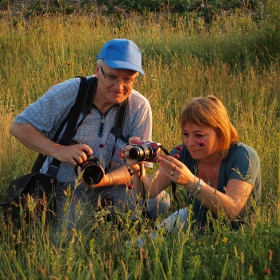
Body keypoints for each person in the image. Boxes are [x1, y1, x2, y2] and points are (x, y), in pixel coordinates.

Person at [9, 38, 170, 231]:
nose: (119, 87)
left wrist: (105, 180)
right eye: (112, 77)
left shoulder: (139, 106)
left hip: (112, 184)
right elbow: (18, 126)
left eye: (128, 80)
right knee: (71, 238)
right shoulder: (70, 92)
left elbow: (136, 169)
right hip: (64, 186)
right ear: (97, 70)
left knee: (159, 201)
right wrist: (59, 150)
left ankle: (120, 234)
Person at [125, 95, 261, 234]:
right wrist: (138, 171)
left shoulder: (243, 156)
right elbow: (149, 193)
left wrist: (192, 182)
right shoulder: (183, 152)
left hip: (237, 233)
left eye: (199, 135)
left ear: (220, 133)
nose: (190, 143)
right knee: (140, 247)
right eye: (185, 134)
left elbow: (232, 211)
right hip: (194, 220)